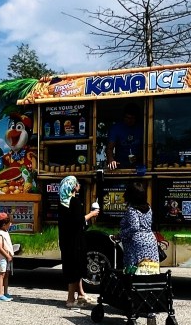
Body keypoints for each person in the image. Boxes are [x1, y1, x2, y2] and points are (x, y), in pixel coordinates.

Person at [58, 175, 99, 309]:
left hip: (66, 239)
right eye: (77, 183)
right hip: (75, 240)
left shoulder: (62, 202)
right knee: (74, 268)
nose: (79, 185)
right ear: (73, 186)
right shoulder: (74, 202)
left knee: (75, 266)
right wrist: (92, 214)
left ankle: (81, 293)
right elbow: (78, 221)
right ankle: (70, 299)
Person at [118, 182, 158, 275]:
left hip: (136, 244)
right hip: (151, 241)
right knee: (149, 270)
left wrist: (119, 235)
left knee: (134, 271)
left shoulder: (132, 210)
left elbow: (134, 227)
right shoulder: (148, 208)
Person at [106, 103, 143, 169]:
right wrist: (111, 160)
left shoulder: (142, 127)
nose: (129, 120)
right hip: (120, 165)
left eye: (132, 118)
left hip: (139, 165)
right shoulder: (116, 128)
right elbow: (109, 148)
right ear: (123, 117)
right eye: (127, 118)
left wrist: (138, 157)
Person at [0, 212, 14, 302]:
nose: (11, 224)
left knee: (6, 275)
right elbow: (0, 247)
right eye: (9, 223)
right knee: (2, 274)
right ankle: (0, 295)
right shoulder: (0, 234)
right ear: (4, 224)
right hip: (3, 258)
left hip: (7, 257)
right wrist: (7, 256)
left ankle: (5, 292)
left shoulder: (5, 232)